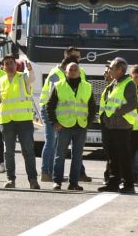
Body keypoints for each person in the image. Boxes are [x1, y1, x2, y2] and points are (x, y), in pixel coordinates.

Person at [38, 46, 92, 183]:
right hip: (51, 111)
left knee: (76, 150)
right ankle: (46, 172)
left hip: (73, 116)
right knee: (52, 142)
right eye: (75, 57)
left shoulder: (80, 70)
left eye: (79, 57)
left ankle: (79, 173)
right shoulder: (57, 73)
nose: (78, 59)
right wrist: (55, 120)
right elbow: (52, 100)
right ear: (67, 57)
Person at [46, 62, 97, 190]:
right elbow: (50, 106)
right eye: (71, 70)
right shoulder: (59, 86)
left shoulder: (87, 87)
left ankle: (73, 183)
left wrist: (88, 123)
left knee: (77, 156)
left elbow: (92, 107)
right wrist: (54, 122)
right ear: (66, 72)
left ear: (79, 72)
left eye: (75, 69)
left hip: (80, 126)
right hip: (64, 126)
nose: (73, 71)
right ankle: (57, 181)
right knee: (60, 154)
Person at [0, 55, 39, 189]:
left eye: (11, 63)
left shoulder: (22, 77)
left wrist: (30, 70)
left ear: (16, 64)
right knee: (8, 152)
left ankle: (33, 180)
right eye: (6, 64)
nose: (9, 66)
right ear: (3, 66)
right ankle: (10, 179)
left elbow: (31, 79)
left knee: (28, 151)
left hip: (24, 120)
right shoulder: (0, 81)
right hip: (6, 121)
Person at [97, 57, 138, 194]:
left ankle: (128, 184)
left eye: (112, 68)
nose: (110, 70)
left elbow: (133, 103)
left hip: (122, 125)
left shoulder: (128, 84)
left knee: (124, 156)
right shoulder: (114, 83)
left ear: (121, 70)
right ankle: (113, 183)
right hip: (111, 125)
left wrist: (116, 112)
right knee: (112, 156)